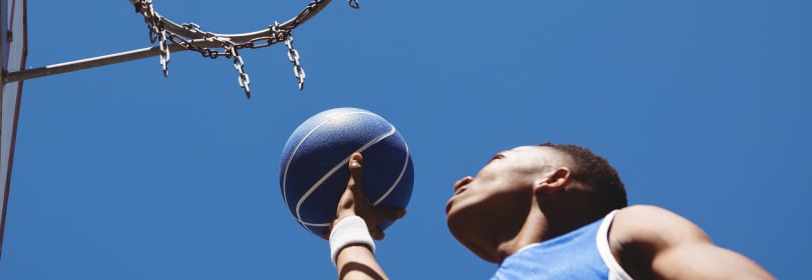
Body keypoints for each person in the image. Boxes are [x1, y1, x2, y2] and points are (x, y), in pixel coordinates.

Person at [322, 143, 774, 280]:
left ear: (554, 180)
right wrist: (348, 227)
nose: (462, 179)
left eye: (493, 160)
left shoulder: (622, 233)